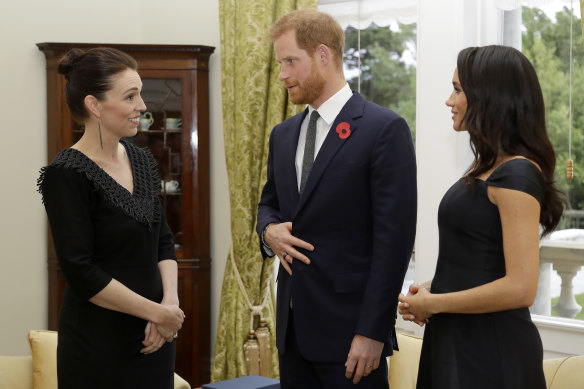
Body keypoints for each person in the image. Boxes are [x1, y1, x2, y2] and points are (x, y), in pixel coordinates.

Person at [256, 9, 417, 389]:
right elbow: (269, 205)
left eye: (290, 61)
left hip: (352, 338)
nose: (282, 75)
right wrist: (269, 231)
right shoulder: (282, 134)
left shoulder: (383, 129)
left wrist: (372, 331)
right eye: (280, 64)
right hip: (292, 334)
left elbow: (393, 242)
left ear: (323, 56)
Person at [398, 45, 565, 389]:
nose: (449, 100)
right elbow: (481, 261)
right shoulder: (487, 167)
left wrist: (435, 303)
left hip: (489, 352)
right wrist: (431, 291)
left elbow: (520, 288)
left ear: (490, 97)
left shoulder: (517, 174)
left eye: (458, 90)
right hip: (459, 339)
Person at [37, 47, 185, 389]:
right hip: (98, 347)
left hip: (156, 338)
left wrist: (169, 307)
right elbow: (81, 271)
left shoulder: (143, 159)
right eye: (131, 96)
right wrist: (156, 313)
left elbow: (163, 239)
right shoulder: (66, 174)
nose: (143, 106)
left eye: (141, 94)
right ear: (94, 105)